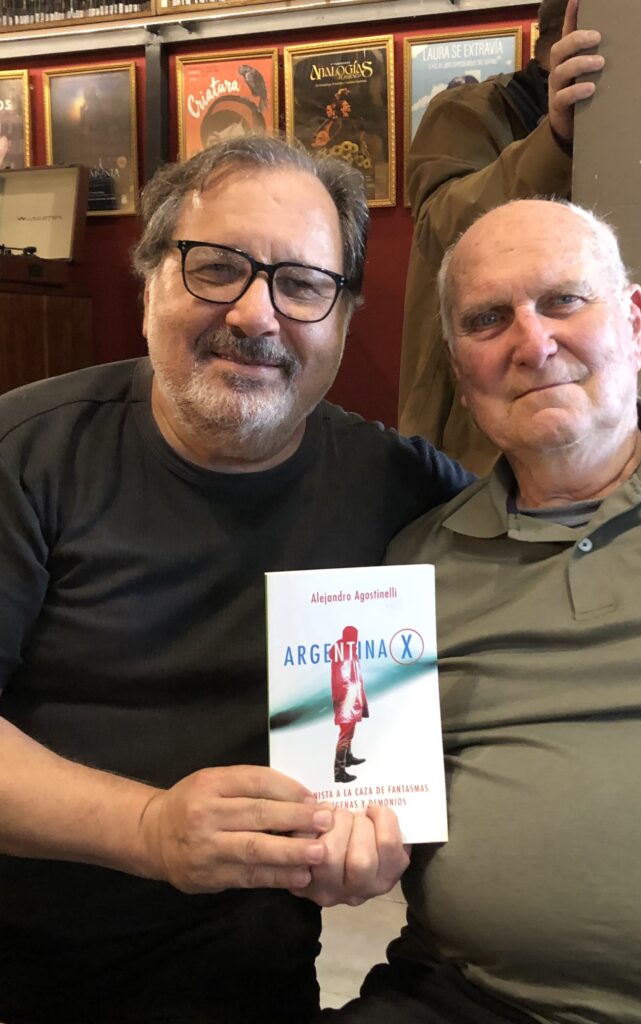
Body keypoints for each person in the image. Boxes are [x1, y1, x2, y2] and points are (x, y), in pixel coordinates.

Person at [0, 135, 473, 1024]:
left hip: (257, 989)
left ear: (344, 316)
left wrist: (384, 828)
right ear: (148, 284)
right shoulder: (26, 456)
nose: (257, 315)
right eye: (216, 268)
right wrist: (148, 830)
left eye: (302, 284)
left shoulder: (404, 489)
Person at [326, 199, 641, 1022]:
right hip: (473, 1000)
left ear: (632, 321)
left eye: (563, 300)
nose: (533, 342)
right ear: (460, 370)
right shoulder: (407, 570)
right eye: (488, 320)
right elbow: (360, 791)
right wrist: (348, 848)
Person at [399, 0, 605, 474]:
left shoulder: (624, 121)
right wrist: (555, 140)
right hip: (479, 424)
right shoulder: (468, 112)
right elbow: (442, 225)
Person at [331, 624, 369, 783]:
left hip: (350, 699)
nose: (356, 640)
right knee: (345, 735)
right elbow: (344, 678)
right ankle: (339, 772)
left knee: (349, 731)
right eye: (354, 637)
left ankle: (348, 758)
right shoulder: (344, 652)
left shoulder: (348, 651)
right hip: (347, 701)